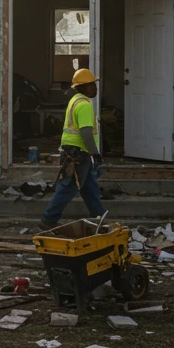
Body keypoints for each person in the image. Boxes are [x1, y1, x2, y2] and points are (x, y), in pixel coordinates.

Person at [40, 68, 105, 229]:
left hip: (75, 152)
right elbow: (86, 133)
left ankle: (99, 217)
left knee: (89, 188)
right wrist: (95, 154)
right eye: (91, 85)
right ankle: (48, 219)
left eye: (94, 85)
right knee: (68, 188)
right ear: (82, 87)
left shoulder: (75, 100)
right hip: (79, 154)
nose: (95, 88)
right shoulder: (84, 105)